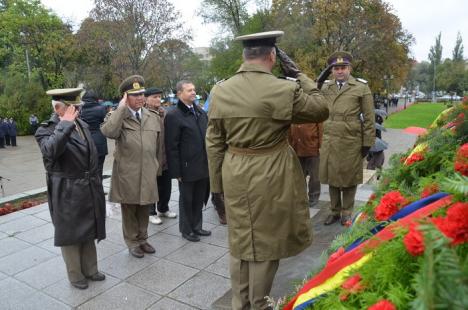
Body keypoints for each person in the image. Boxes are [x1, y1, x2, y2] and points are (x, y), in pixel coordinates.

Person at [206, 31, 329, 310]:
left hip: (234, 170)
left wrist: (216, 186)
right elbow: (321, 108)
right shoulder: (283, 89)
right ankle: (259, 304)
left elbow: (213, 142)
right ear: (272, 56)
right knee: (266, 241)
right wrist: (299, 74)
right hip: (271, 171)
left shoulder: (220, 90)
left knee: (240, 239)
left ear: (245, 56)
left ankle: (241, 303)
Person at [35, 88, 106, 290]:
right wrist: (64, 124)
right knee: (71, 235)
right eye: (74, 108)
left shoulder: (81, 124)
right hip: (66, 190)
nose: (79, 111)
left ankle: (91, 269)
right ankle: (75, 275)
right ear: (59, 108)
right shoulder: (45, 130)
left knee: (89, 229)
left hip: (88, 186)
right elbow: (50, 151)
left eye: (79, 107)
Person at [101, 75, 162, 258]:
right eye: (134, 95)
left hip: (148, 170)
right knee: (130, 209)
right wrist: (120, 109)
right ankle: (132, 242)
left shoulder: (152, 116)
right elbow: (108, 132)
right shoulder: (117, 117)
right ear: (125, 97)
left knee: (145, 206)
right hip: (128, 172)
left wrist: (157, 166)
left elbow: (158, 145)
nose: (140, 98)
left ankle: (143, 239)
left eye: (142, 94)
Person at [319, 51, 375, 226]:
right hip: (330, 138)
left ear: (349, 68)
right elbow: (311, 95)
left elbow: (368, 117)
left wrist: (367, 143)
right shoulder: (326, 87)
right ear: (332, 70)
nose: (340, 71)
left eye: (343, 67)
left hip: (351, 140)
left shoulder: (361, 87)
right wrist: (319, 80)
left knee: (350, 177)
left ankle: (347, 212)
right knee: (332, 177)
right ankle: (334, 211)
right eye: (336, 68)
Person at [165, 80, 211, 242]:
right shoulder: (173, 115)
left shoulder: (199, 111)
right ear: (179, 94)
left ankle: (197, 226)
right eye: (189, 90)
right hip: (186, 167)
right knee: (187, 200)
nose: (193, 92)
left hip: (203, 164)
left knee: (199, 198)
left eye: (194, 89)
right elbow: (171, 146)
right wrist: (176, 171)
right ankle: (187, 230)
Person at [144, 87, 177, 225]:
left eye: (159, 97)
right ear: (146, 99)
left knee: (165, 185)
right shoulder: (143, 114)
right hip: (150, 157)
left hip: (165, 156)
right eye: (154, 97)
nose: (158, 99)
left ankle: (163, 208)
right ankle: (150, 212)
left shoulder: (165, 113)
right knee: (151, 186)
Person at [288, 122, 323, 208]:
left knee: (314, 175)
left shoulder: (313, 112)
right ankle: (301, 197)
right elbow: (288, 130)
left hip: (312, 148)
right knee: (299, 176)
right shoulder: (293, 112)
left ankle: (314, 196)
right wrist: (290, 145)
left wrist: (321, 146)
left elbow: (321, 130)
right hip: (296, 148)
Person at [79, 90, 108, 178]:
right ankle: (98, 189)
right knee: (99, 168)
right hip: (99, 141)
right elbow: (106, 123)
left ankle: (89, 189)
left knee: (87, 168)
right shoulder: (101, 109)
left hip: (84, 141)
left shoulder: (80, 110)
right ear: (96, 99)